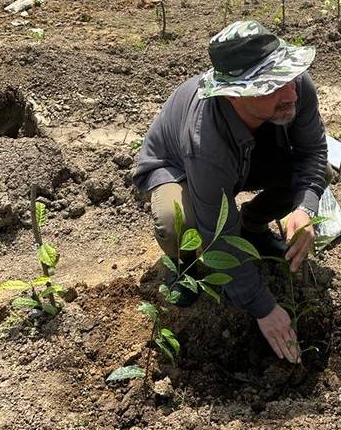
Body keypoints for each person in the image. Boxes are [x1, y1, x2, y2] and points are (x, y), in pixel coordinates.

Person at [133, 20, 329, 363]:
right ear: (234, 93)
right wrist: (263, 306)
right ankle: (186, 266)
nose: (291, 94)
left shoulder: (294, 88)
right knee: (175, 223)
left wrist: (304, 210)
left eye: (288, 79)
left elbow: (313, 154)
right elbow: (218, 233)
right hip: (178, 165)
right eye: (271, 86)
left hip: (250, 153)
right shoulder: (204, 139)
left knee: (314, 177)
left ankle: (252, 226)